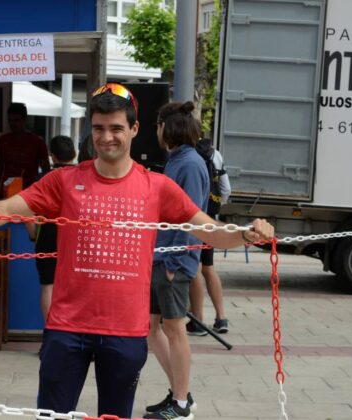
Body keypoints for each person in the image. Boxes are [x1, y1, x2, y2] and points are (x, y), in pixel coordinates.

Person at [0, 83, 274, 418]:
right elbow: (8, 209)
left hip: (125, 331)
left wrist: (247, 234)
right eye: (98, 128)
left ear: (134, 129)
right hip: (67, 328)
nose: (106, 137)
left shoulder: (157, 187)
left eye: (116, 128)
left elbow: (210, 231)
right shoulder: (64, 180)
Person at [145, 101, 209, 420]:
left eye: (158, 125)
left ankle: (181, 404)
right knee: (152, 328)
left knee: (174, 329)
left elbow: (190, 219)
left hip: (174, 262)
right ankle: (180, 393)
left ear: (166, 128)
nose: (156, 131)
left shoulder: (190, 164)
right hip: (163, 259)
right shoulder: (178, 161)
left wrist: (173, 264)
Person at [24, 135, 76, 323]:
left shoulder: (42, 178)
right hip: (75, 236)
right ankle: (72, 332)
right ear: (74, 154)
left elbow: (26, 210)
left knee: (48, 286)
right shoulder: (84, 177)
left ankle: (50, 332)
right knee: (76, 286)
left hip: (47, 234)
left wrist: (33, 235)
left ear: (52, 156)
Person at [187, 139, 232, 337]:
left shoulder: (188, 156)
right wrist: (215, 207)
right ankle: (221, 318)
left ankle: (197, 320)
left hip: (194, 217)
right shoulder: (215, 154)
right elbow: (226, 189)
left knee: (195, 268)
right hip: (210, 217)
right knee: (208, 267)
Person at [0, 102, 50, 198]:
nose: (12, 124)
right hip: (6, 191)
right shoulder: (3, 140)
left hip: (27, 194)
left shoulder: (37, 142)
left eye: (16, 120)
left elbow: (46, 172)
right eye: (10, 120)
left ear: (25, 120)